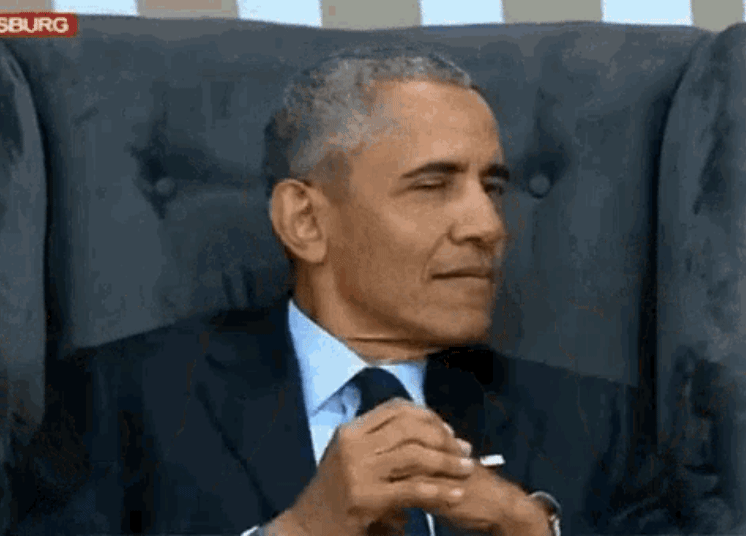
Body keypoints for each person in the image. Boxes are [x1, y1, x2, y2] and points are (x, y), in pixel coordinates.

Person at [14, 46, 568, 536]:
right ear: (305, 221)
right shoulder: (121, 400)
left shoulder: (584, 421)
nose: (488, 226)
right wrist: (302, 531)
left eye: (492, 189)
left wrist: (526, 529)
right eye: (432, 185)